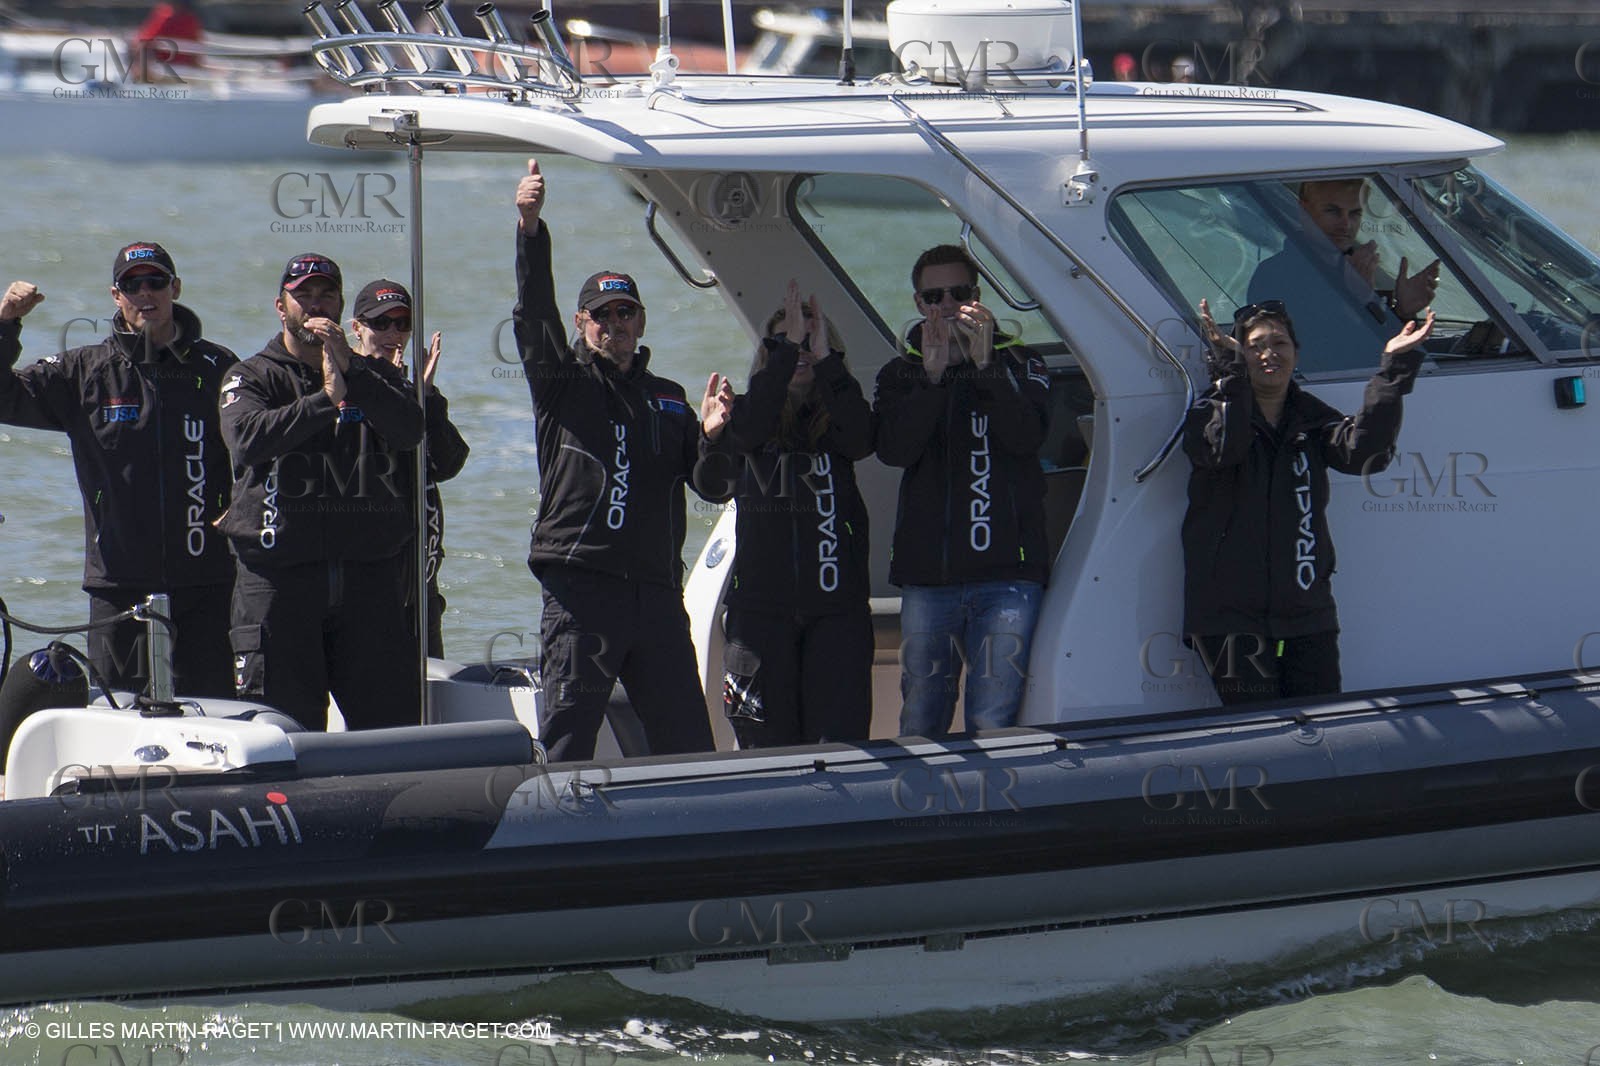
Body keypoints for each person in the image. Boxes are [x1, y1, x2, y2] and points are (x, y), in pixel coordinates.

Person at [512, 159, 715, 761]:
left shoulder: (670, 398)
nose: (614, 323)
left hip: (654, 595)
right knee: (569, 740)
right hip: (582, 590)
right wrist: (529, 229)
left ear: (640, 319)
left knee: (687, 744)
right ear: (582, 323)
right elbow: (533, 313)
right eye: (601, 314)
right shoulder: (561, 382)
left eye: (625, 311)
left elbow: (711, 483)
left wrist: (717, 436)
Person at [0, 243, 237, 697]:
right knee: (119, 713)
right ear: (116, 295)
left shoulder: (219, 367)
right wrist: (7, 321)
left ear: (176, 288)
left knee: (216, 716)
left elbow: (255, 453)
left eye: (156, 282)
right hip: (119, 585)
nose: (145, 293)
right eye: (133, 284)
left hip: (207, 582)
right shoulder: (85, 372)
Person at [1182, 297, 1436, 704]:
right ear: (1238, 353)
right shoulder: (1210, 414)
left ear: (1297, 352)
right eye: (1255, 345)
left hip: (1306, 616)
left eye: (1280, 344)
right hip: (1229, 621)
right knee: (1261, 732)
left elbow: (1363, 456)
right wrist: (1230, 373)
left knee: (1323, 731)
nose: (1269, 354)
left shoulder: (1312, 418)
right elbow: (1224, 451)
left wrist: (1393, 370)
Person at [217, 253, 424, 729]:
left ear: (340, 304)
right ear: (280, 305)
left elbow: (410, 431)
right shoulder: (251, 376)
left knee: (392, 726)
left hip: (366, 582)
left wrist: (351, 375)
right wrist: (322, 402)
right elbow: (247, 440)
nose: (314, 305)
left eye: (325, 294)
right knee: (285, 730)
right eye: (303, 295)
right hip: (280, 582)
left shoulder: (369, 376)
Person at [873, 245, 1050, 738]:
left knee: (993, 720)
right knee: (921, 717)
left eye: (959, 293)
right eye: (934, 295)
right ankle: (921, 814)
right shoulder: (900, 373)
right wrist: (931, 379)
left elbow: (1026, 437)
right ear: (918, 302)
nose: (947, 305)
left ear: (979, 295)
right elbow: (893, 450)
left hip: (1007, 579)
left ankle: (993, 815)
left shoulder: (1021, 363)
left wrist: (984, 363)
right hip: (929, 581)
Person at [694, 280, 875, 748]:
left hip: (836, 614)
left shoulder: (841, 415)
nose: (799, 353)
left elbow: (863, 440)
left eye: (811, 342)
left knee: (841, 747)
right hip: (760, 618)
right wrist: (784, 353)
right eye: (784, 342)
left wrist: (825, 359)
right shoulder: (746, 417)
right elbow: (713, 484)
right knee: (765, 749)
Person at [348, 279, 470, 658]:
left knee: (426, 703)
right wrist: (395, 392)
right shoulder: (345, 386)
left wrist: (427, 399)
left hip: (421, 590)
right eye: (380, 323)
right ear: (357, 328)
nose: (392, 333)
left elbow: (447, 463)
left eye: (402, 323)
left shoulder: (414, 390)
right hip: (368, 591)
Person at [1246, 178, 1440, 370]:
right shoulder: (1274, 277)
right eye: (1332, 211)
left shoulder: (1358, 267)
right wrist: (1355, 301)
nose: (1345, 224)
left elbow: (1388, 352)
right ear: (1303, 210)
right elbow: (1315, 361)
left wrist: (1403, 313)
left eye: (1354, 214)